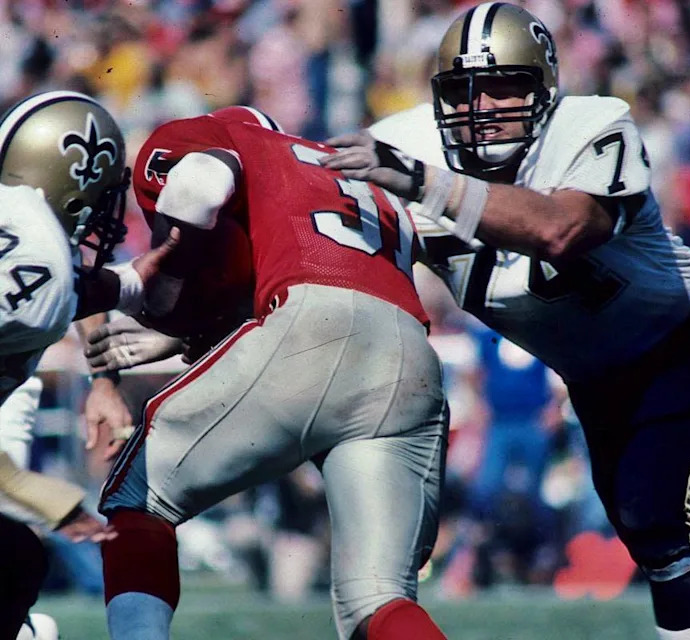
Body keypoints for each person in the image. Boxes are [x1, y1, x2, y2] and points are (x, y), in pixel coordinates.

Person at [321, 4, 690, 639]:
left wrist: (423, 183)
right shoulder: (404, 143)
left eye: (505, 85)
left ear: (545, 88)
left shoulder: (590, 126)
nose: (485, 105)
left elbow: (561, 230)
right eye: (466, 88)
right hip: (596, 378)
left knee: (661, 524)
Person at [95, 105, 450, 640]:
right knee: (376, 602)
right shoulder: (337, 169)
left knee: (138, 497)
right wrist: (188, 335)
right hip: (409, 355)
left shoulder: (229, 140)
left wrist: (160, 297)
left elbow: (195, 188)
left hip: (312, 325)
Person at [0, 90, 175, 640]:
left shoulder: (23, 226)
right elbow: (57, 279)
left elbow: (76, 285)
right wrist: (33, 491)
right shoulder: (39, 257)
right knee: (12, 559)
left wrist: (131, 283)